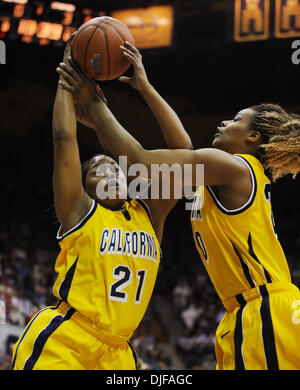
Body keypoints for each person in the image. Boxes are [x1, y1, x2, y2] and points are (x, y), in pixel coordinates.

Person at [58, 40, 300, 370]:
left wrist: (95, 106)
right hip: (248, 310)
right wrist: (144, 87)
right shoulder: (222, 176)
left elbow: (141, 163)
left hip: (266, 308)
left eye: (235, 120)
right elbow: (181, 145)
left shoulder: (234, 167)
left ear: (253, 138)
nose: (223, 123)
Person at [10, 37, 192, 370]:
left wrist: (146, 88)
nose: (110, 171)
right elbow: (64, 139)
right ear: (84, 187)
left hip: (120, 354)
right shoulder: (80, 212)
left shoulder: (148, 213)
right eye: (97, 169)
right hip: (68, 341)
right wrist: (67, 79)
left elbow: (184, 153)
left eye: (114, 167)